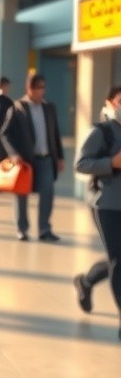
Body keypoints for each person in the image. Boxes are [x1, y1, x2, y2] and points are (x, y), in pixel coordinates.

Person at [74, 85, 121, 333]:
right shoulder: (101, 132)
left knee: (118, 259)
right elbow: (81, 164)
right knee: (119, 259)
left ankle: (86, 280)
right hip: (106, 205)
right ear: (110, 103)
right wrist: (111, 163)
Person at [0, 71, 65, 241]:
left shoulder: (49, 107)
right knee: (21, 195)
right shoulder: (18, 107)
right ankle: (22, 229)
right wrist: (14, 154)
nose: (41, 91)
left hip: (45, 159)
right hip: (25, 161)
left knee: (47, 193)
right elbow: (4, 133)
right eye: (38, 88)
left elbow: (55, 134)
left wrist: (59, 157)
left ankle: (45, 229)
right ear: (29, 88)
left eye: (43, 88)